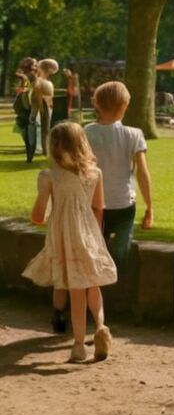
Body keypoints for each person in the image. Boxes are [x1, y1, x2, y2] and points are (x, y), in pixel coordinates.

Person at [23, 121, 117, 363]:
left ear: (53, 147)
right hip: (89, 233)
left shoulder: (49, 176)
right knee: (92, 284)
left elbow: (37, 215)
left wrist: (44, 215)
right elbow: (99, 207)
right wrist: (94, 235)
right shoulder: (94, 174)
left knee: (76, 289)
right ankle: (100, 326)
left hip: (64, 237)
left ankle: (78, 344)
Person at [85, 81, 153, 276]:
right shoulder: (134, 134)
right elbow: (142, 172)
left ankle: (97, 290)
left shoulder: (87, 132)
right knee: (120, 251)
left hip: (95, 204)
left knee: (96, 249)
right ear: (124, 106)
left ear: (97, 104)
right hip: (124, 203)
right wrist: (149, 206)